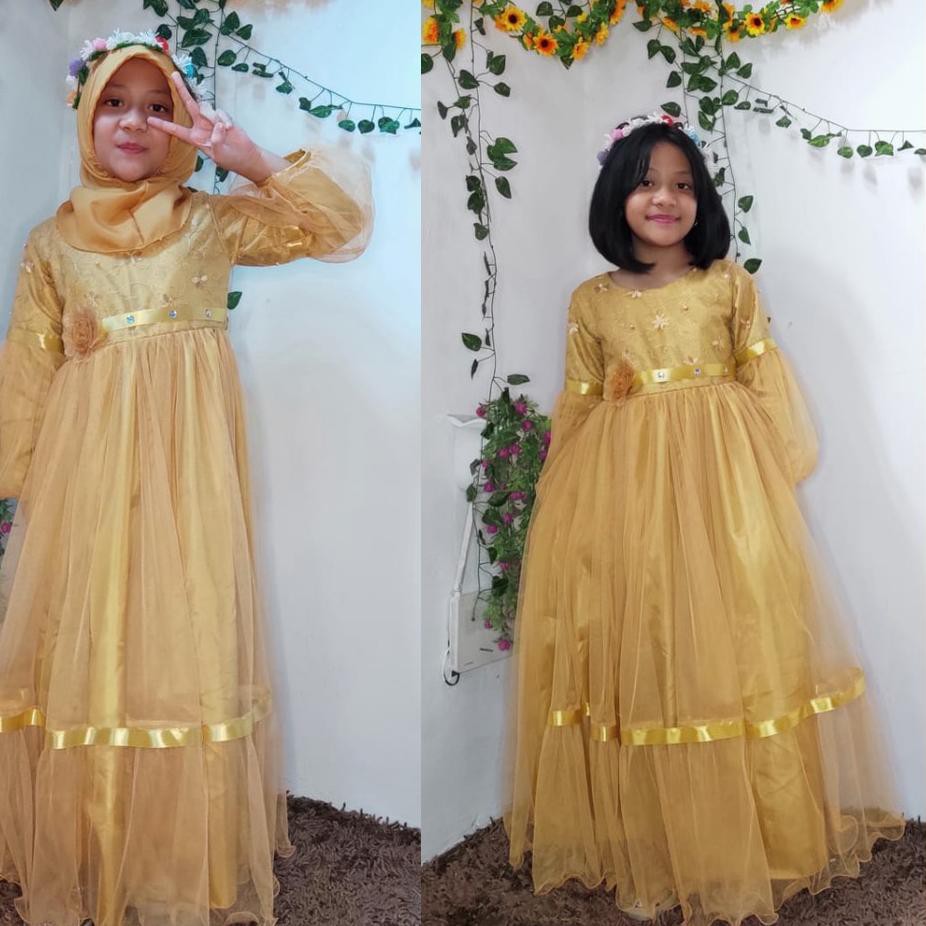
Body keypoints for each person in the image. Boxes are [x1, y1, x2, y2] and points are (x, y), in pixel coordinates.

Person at [0, 31, 371, 926]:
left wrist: (246, 158)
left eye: (158, 106)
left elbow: (335, 228)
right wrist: (25, 488)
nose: (135, 122)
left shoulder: (209, 218)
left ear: (182, 122)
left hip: (187, 459)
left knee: (183, 619)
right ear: (86, 114)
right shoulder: (51, 242)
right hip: (83, 463)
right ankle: (89, 835)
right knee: (90, 624)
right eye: (115, 103)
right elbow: (28, 366)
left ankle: (172, 842)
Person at [505, 112, 903, 925]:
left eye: (683, 185)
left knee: (735, 648)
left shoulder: (727, 283)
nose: (666, 199)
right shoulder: (590, 300)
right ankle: (653, 838)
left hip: (724, 494)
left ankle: (754, 839)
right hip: (623, 497)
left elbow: (765, 385)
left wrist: (765, 484)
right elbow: (578, 401)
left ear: (703, 200)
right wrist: (563, 505)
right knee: (648, 646)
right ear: (616, 196)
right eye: (647, 183)